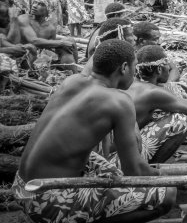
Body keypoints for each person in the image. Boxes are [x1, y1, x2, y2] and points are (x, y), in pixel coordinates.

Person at [12, 40, 176, 223]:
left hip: (22, 186)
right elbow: (134, 170)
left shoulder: (71, 82)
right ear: (123, 67)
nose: (135, 73)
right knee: (167, 193)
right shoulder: (119, 101)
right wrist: (162, 178)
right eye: (134, 67)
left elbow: (96, 58)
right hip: (47, 203)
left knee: (110, 170)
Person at [123, 45, 187, 163]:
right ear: (159, 69)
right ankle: (151, 166)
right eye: (168, 66)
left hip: (115, 152)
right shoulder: (153, 92)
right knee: (181, 118)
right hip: (122, 160)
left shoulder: (133, 84)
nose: (169, 69)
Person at [18, 0, 77, 66]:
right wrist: (61, 43)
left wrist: (63, 47)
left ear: (48, 9)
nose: (34, 6)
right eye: (35, 2)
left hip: (41, 57)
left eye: (41, 4)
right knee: (31, 49)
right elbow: (33, 41)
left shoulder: (50, 28)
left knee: (70, 41)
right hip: (23, 55)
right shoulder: (24, 18)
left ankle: (75, 70)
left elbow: (49, 48)